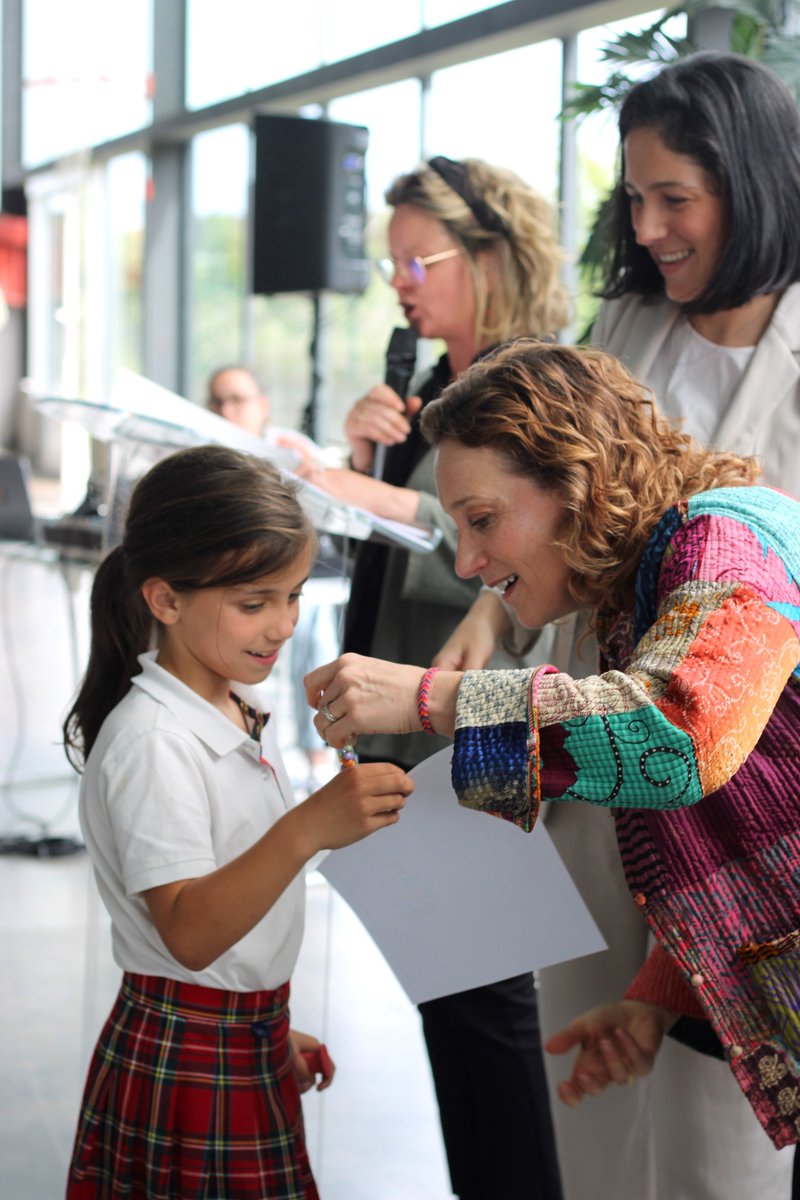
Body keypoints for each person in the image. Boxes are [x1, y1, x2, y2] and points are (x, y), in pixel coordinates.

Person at [431, 51, 800, 1199]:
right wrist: (483, 640)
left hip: (738, 798)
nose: (645, 227)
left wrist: (442, 707)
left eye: (672, 197)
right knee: (587, 1083)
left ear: (750, 187)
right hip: (596, 760)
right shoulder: (626, 320)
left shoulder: (749, 456)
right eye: (631, 197)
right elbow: (542, 527)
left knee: (711, 1132)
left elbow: (694, 715)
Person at [305, 339, 800, 1166]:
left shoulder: (727, 547)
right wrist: (662, 995)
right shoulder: (645, 583)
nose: (467, 562)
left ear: (577, 482)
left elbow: (679, 740)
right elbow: (738, 818)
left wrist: (434, 702)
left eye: (483, 521)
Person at [308, 155, 570, 1200]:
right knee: (448, 1010)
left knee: (488, 1011)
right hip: (398, 734)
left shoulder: (530, 382)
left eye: (417, 259)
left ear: (488, 257)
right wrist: (356, 468)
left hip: (471, 735)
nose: (400, 282)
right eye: (391, 262)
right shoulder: (423, 385)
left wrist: (381, 501)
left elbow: (516, 557)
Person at [62, 445, 413, 1200]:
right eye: (254, 603)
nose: (283, 624)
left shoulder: (226, 707)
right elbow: (188, 931)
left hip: (233, 1035)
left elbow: (229, 909)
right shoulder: (154, 741)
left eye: (292, 596)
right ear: (164, 599)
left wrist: (264, 1025)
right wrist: (309, 827)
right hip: (187, 1051)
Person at [207, 364, 344, 791]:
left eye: (238, 400)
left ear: (262, 406)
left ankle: (319, 753)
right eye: (218, 401)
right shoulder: (204, 456)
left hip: (293, 573)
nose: (228, 410)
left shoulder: (292, 449)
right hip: (231, 580)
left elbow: (331, 513)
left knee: (309, 627)